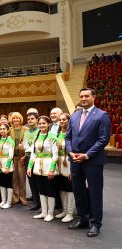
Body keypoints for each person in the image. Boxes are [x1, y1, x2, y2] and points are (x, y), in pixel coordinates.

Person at [66, 88, 111, 237]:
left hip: (92, 161)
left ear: (93, 97)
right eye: (81, 96)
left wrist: (87, 155)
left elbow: (103, 139)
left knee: (95, 193)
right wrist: (71, 152)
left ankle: (96, 224)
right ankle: (83, 219)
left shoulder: (102, 115)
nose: (83, 99)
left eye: (86, 96)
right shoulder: (75, 116)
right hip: (75, 160)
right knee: (78, 192)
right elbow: (68, 138)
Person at [27, 116, 58, 222]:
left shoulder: (52, 137)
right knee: (41, 190)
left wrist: (52, 169)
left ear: (48, 124)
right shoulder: (37, 136)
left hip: (48, 166)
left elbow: (55, 155)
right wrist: (29, 167)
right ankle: (44, 212)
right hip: (38, 167)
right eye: (40, 123)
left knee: (50, 190)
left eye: (44, 123)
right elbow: (33, 154)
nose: (41, 125)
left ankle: (50, 213)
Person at [55, 113, 75, 223]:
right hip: (59, 163)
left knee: (69, 188)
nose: (62, 121)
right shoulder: (57, 133)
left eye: (64, 119)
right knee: (62, 188)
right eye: (60, 119)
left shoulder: (72, 133)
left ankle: (70, 213)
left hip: (68, 162)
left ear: (69, 121)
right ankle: (64, 209)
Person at [8, 112, 28, 205]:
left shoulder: (26, 130)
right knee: (14, 178)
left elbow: (29, 144)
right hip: (12, 157)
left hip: (22, 157)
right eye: (14, 118)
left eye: (17, 118)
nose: (15, 120)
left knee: (21, 177)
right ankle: (15, 198)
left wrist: (23, 148)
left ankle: (23, 197)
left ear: (21, 119)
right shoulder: (9, 130)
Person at [22, 112, 41, 210]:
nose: (30, 120)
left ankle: (42, 203)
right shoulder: (26, 132)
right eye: (28, 119)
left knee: (39, 180)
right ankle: (36, 202)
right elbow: (25, 145)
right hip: (28, 156)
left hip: (38, 157)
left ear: (37, 120)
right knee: (31, 180)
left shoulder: (40, 131)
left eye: (32, 118)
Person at [0, 124, 15, 209]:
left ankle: (9, 202)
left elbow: (11, 155)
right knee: (2, 183)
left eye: (4, 129)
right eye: (1, 129)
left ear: (7, 130)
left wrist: (7, 167)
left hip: (7, 163)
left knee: (8, 183)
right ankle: (3, 201)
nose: (2, 130)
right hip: (0, 163)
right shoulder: (0, 139)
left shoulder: (10, 140)